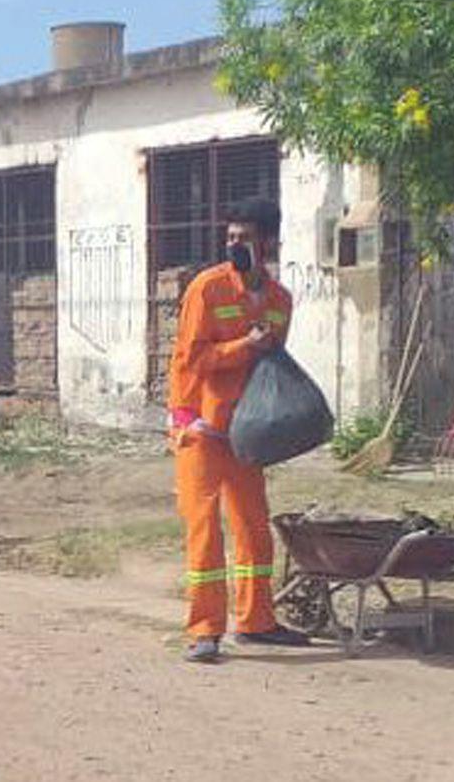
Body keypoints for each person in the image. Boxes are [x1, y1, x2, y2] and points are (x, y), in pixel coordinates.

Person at [168, 198, 310, 663]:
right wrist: (242, 346)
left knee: (254, 528)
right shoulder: (206, 290)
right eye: (230, 238)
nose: (235, 245)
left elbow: (270, 366)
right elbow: (193, 359)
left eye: (244, 238)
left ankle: (256, 622)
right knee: (205, 529)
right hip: (200, 426)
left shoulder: (280, 301)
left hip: (245, 432)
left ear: (267, 242)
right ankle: (205, 630)